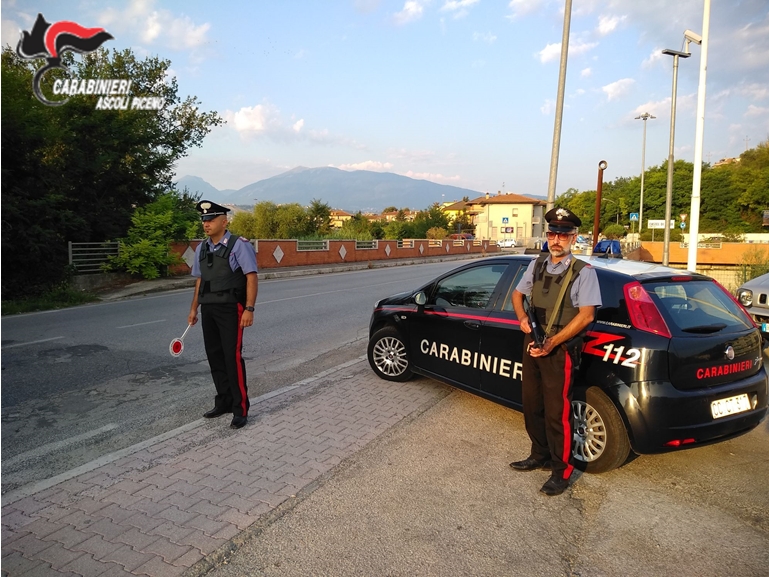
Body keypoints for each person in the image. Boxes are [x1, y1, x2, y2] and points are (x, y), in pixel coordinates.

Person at [510, 207, 601, 496]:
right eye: (552, 233)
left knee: (557, 412)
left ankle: (561, 471)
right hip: (533, 343)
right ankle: (539, 454)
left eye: (563, 234)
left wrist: (553, 341)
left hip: (559, 350)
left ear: (574, 238)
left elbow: (586, 316)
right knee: (531, 403)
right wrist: (522, 319)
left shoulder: (583, 272)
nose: (557, 239)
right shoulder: (537, 265)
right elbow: (517, 294)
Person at [188, 200, 258, 429]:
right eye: (204, 220)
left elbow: (251, 276)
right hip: (208, 307)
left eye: (211, 220)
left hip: (231, 308)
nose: (206, 224)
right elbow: (200, 280)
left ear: (224, 221)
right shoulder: (202, 248)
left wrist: (249, 308)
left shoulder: (239, 245)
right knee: (215, 356)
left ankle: (240, 409)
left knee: (232, 358)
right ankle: (224, 401)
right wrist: (193, 308)